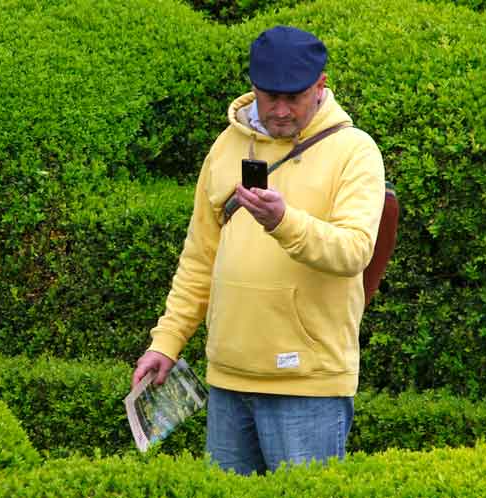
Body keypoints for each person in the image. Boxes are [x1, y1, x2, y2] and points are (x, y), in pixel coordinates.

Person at [130, 25, 385, 476]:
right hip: (228, 377)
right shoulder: (226, 146)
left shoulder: (355, 151)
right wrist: (166, 342)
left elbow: (354, 251)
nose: (281, 110)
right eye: (270, 97)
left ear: (321, 86)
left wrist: (283, 222)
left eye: (295, 97)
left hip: (308, 385)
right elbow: (199, 258)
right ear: (253, 88)